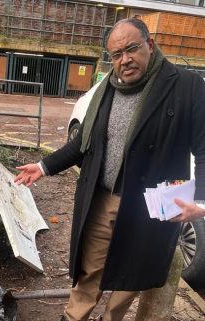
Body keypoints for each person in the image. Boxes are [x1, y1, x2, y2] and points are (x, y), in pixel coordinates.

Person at [14, 18, 205, 321]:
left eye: (132, 49)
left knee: (131, 277)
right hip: (102, 198)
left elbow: (204, 150)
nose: (125, 59)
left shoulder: (188, 86)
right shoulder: (107, 88)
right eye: (116, 54)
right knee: (90, 271)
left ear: (150, 45)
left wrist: (201, 201)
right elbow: (84, 144)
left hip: (154, 203)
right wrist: (43, 166)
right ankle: (73, 317)